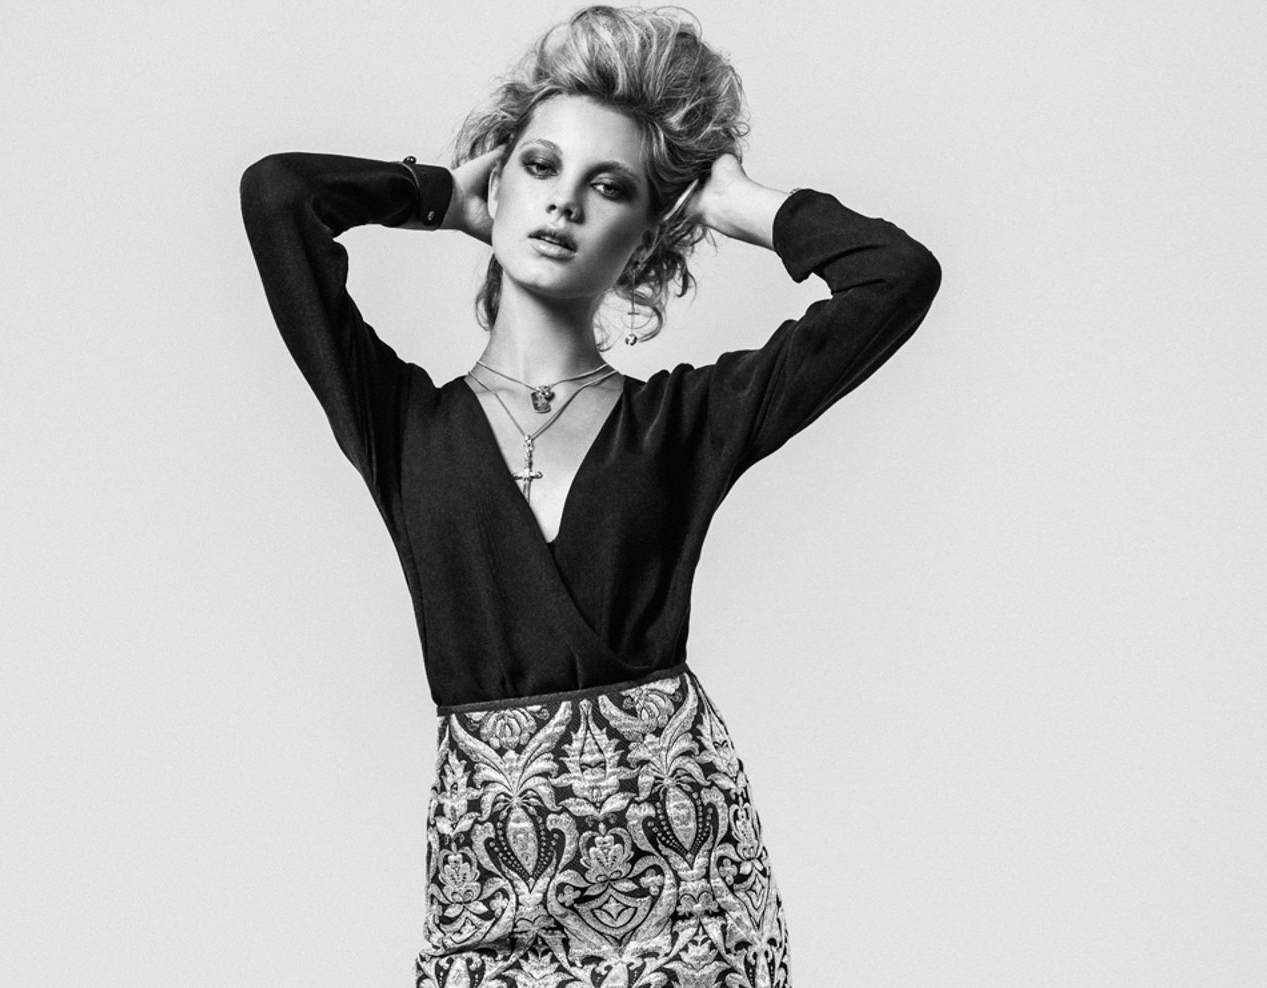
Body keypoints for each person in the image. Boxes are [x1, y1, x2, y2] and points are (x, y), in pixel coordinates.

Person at [240, 6, 939, 986]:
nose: (564, 203)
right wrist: (434, 194)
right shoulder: (401, 426)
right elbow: (278, 195)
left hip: (688, 894)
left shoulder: (688, 422)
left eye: (609, 186)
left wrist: (736, 201)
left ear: (646, 233)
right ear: (499, 183)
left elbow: (896, 277)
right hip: (493, 888)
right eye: (539, 167)